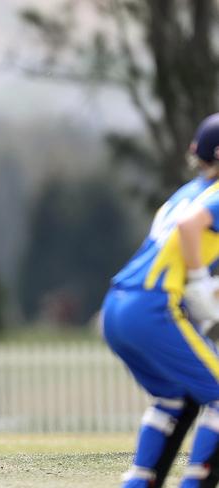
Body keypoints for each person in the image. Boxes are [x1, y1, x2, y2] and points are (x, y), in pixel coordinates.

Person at [102, 113, 219, 488]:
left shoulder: (187, 191)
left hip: (118, 305)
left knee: (171, 399)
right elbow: (189, 230)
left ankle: (138, 481)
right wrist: (200, 283)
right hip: (153, 307)